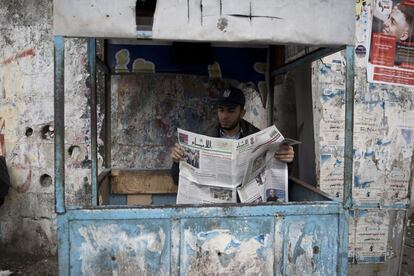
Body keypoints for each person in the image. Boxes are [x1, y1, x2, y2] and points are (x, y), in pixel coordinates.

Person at [170, 86, 294, 184]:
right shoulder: (204, 138)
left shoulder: (258, 138)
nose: (224, 116)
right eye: (221, 110)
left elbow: (278, 181)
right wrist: (177, 161)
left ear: (242, 113)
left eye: (231, 111)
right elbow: (178, 180)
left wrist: (287, 161)